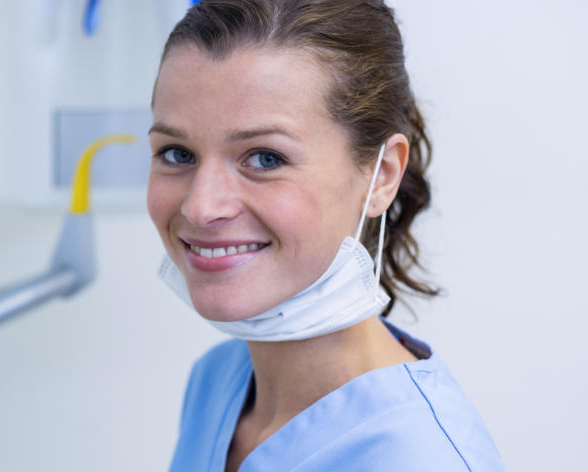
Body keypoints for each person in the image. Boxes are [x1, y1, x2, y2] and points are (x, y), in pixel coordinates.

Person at [149, 1, 504, 471]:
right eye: (177, 153)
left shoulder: (422, 458)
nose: (200, 207)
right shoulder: (215, 384)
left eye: (266, 158)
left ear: (381, 175)